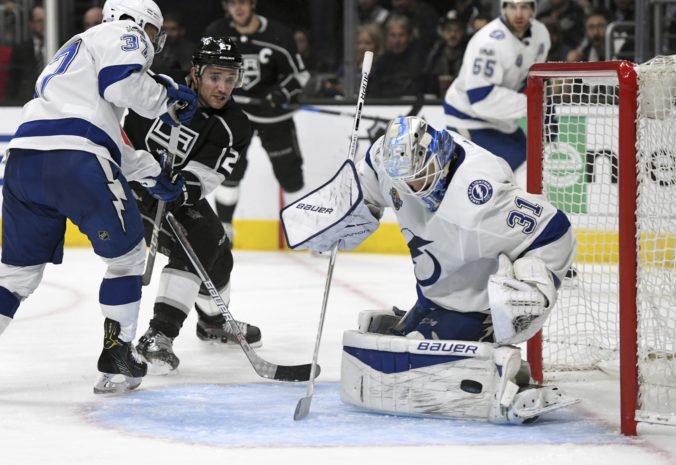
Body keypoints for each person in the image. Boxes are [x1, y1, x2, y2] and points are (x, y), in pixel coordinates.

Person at [283, 116, 577, 423]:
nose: (412, 189)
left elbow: (553, 229)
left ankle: (502, 368)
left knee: (412, 369)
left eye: (420, 178)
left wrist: (534, 285)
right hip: (434, 294)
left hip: (475, 302)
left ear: (440, 156)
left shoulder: (481, 195)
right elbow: (362, 190)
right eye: (404, 182)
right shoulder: (387, 161)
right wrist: (337, 217)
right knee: (393, 352)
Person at [0, 0, 197, 394]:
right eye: (153, 33)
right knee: (127, 260)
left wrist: (153, 174)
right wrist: (169, 96)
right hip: (76, 161)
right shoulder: (122, 33)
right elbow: (122, 86)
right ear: (138, 22)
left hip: (23, 162)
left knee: (15, 276)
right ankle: (118, 355)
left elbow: (108, 138)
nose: (151, 43)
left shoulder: (70, 56)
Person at [123, 37, 262, 372]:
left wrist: (182, 188)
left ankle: (213, 321)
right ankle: (159, 334)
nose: (223, 87)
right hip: (124, 186)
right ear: (196, 73)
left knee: (217, 249)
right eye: (215, 77)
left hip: (168, 195)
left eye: (230, 79)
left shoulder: (235, 124)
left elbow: (207, 172)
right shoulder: (158, 89)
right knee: (202, 237)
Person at [204, 0, 310, 240]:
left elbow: (300, 74)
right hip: (234, 115)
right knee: (229, 171)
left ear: (252, 4)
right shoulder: (216, 33)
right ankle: (224, 231)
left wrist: (281, 92)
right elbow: (204, 70)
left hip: (274, 116)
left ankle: (305, 231)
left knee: (290, 175)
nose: (237, 8)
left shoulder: (278, 35)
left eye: (242, 1)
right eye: (232, 3)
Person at [443, 0, 550, 176]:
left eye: (524, 7)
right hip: (468, 118)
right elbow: (480, 98)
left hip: (501, 121)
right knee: (524, 171)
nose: (518, 14)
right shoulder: (488, 42)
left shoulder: (541, 35)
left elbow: (530, 80)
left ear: (533, 9)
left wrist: (544, 107)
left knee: (534, 167)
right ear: (503, 9)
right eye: (512, 7)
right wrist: (535, 106)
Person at [369, 13, 424, 98]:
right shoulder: (381, 62)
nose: (397, 41)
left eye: (401, 35)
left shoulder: (418, 61)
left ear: (409, 37)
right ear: (387, 37)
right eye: (393, 35)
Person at [5, 4, 44, 104]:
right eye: (39, 21)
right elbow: (13, 81)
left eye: (45, 20)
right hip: (26, 102)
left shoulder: (60, 47)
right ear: (31, 24)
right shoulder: (20, 49)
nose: (43, 25)